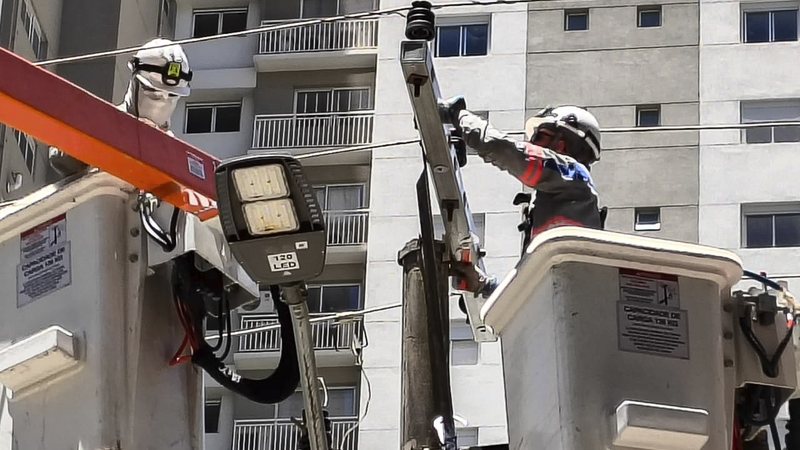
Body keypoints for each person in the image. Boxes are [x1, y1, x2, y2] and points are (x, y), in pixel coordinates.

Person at [439, 97, 605, 244]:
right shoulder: (556, 200)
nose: (532, 143)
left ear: (562, 145)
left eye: (541, 136)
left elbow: (503, 149)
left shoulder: (574, 174)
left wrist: (459, 116)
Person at [49, 38, 193, 177]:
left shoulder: (175, 156)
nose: (163, 102)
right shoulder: (106, 125)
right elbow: (60, 157)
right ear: (135, 82)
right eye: (154, 94)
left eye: (172, 96)